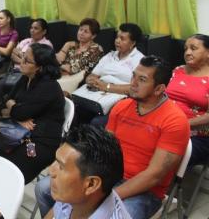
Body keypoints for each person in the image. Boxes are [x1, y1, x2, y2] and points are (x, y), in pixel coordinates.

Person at [36, 56, 190, 219]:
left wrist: (108, 195)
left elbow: (154, 176)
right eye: (133, 76)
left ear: (159, 89)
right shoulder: (122, 106)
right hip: (108, 176)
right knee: (44, 188)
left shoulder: (175, 121)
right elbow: (103, 150)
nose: (133, 83)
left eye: (142, 80)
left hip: (143, 191)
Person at [0, 43, 65, 184]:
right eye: (22, 57)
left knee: (8, 174)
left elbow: (20, 111)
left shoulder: (49, 87)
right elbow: (5, 100)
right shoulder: (27, 77)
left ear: (40, 67)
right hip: (17, 130)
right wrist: (17, 115)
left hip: (39, 141)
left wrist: (14, 110)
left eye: (27, 61)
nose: (21, 63)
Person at [45, 125, 130, 219]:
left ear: (91, 184)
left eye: (61, 167)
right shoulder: (72, 194)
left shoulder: (72, 191)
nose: (51, 171)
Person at [72, 23, 144, 124]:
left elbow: (135, 88)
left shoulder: (140, 60)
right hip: (96, 94)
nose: (117, 41)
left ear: (133, 43)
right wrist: (91, 81)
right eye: (117, 37)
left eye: (122, 39)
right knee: (72, 109)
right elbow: (92, 75)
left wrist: (107, 87)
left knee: (96, 122)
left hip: (120, 99)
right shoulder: (110, 56)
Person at [165, 34, 209, 166]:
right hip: (164, 124)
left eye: (193, 48)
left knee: (163, 152)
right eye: (186, 49)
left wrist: (180, 124)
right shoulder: (178, 70)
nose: (188, 52)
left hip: (197, 134)